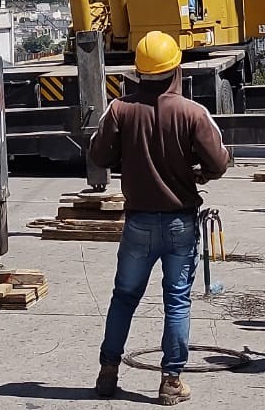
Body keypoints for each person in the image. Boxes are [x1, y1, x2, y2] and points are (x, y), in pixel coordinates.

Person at [91, 30, 231, 405]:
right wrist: (198, 171)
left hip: (138, 223)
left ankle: (108, 372)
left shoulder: (120, 109)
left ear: (138, 73)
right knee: (177, 301)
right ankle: (170, 381)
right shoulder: (192, 113)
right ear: (176, 71)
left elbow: (99, 155)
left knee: (123, 297)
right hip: (179, 223)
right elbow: (219, 161)